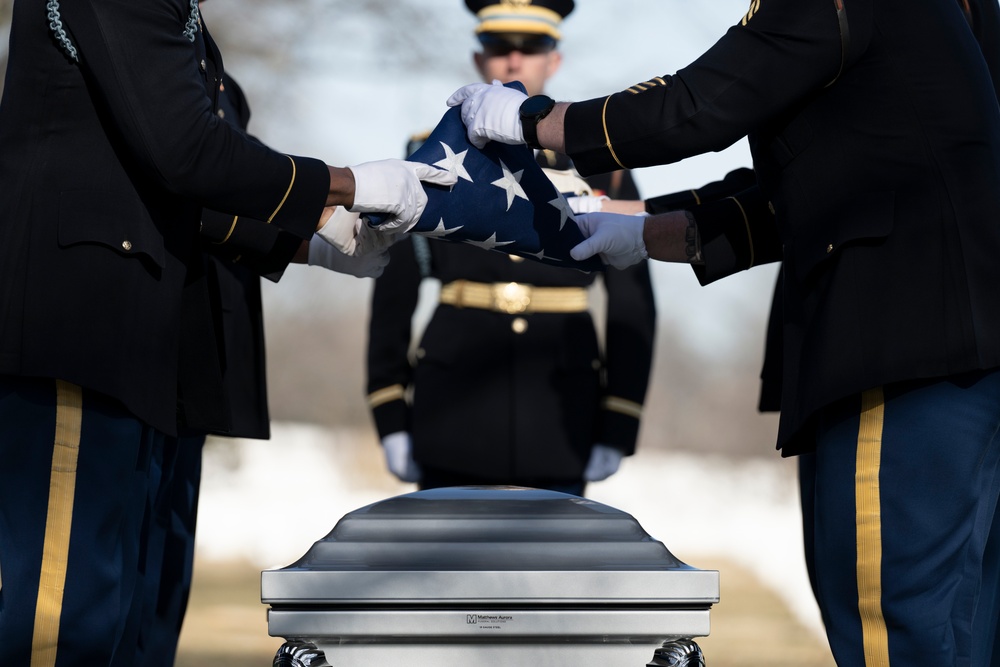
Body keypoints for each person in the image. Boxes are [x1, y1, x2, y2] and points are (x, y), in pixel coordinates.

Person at [446, 0, 1000, 663]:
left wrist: (536, 120)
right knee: (964, 628)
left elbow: (695, 106)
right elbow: (808, 192)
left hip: (904, 347)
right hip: (956, 353)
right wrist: (640, 227)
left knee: (896, 624)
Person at [0, 1, 457, 664]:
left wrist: (318, 236)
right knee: (66, 623)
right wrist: (348, 184)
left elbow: (188, 178)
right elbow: (186, 148)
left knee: (120, 622)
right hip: (78, 333)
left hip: (125, 342)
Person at [365, 0, 656, 497]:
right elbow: (396, 289)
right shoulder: (429, 155)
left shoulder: (599, 164)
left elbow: (632, 303)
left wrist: (620, 416)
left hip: (563, 404)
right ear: (480, 59)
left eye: (532, 46)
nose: (514, 61)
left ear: (554, 59)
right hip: (452, 402)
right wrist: (389, 408)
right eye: (500, 47)